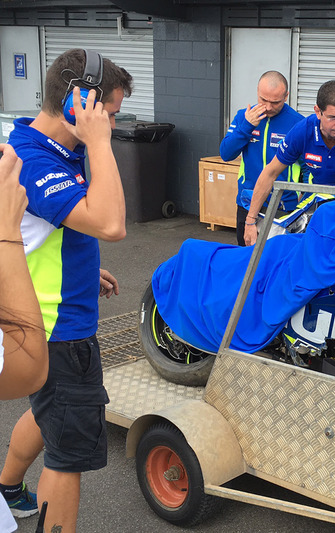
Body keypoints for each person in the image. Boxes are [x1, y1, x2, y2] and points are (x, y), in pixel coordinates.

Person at [0, 48, 132, 532]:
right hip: (58, 331)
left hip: (53, 314)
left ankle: (8, 488)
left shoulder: (49, 148)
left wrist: (85, 269)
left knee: (47, 412)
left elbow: (38, 232)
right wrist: (99, 142)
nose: (112, 126)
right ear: (79, 102)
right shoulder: (33, 160)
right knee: (68, 455)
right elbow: (111, 222)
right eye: (109, 115)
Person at [244, 80, 335, 246]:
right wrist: (250, 221)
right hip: (316, 207)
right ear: (318, 111)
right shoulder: (302, 131)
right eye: (332, 118)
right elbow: (270, 173)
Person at [0, 144, 49, 533]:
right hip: (41, 319)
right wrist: (7, 233)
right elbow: (28, 370)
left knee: (46, 407)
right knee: (50, 402)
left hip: (42, 298)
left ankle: (9, 486)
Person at [219, 71, 305, 246]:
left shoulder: (298, 124)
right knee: (246, 263)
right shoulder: (244, 116)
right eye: (263, 99)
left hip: (283, 207)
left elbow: (310, 169)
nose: (267, 107)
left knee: (278, 264)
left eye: (275, 102)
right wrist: (247, 127)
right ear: (257, 91)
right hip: (247, 204)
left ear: (286, 96)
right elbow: (226, 154)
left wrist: (301, 203)